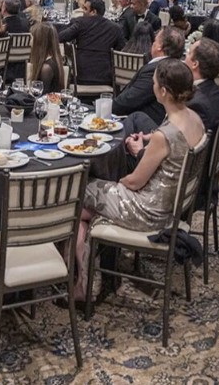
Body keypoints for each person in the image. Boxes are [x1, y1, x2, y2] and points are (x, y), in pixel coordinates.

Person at [77, 60, 207, 296]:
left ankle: (80, 282)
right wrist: (148, 142)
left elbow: (135, 182)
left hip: (148, 212)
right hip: (171, 205)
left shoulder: (163, 136)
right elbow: (175, 153)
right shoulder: (194, 118)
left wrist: (117, 183)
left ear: (164, 91)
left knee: (76, 193)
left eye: (154, 83)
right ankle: (95, 258)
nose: (153, 86)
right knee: (92, 199)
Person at [115, 27, 186, 130]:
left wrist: (104, 108)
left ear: (159, 47)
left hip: (144, 126)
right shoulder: (176, 66)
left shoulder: (158, 69)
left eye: (155, 41)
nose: (152, 43)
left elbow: (130, 100)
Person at [57, 0, 124, 87]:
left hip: (81, 77)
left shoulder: (81, 23)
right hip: (106, 78)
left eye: (85, 8)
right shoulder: (116, 28)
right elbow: (120, 49)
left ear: (93, 12)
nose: (82, 11)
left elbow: (60, 37)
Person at [29, 21, 66, 94]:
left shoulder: (46, 68)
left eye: (32, 37)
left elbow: (42, 96)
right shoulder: (54, 60)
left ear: (39, 41)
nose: (30, 41)